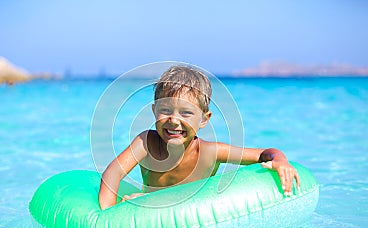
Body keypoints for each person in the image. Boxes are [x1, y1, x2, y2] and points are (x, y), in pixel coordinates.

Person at [98, 65, 300, 209]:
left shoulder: (210, 152)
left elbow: (265, 153)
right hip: (151, 218)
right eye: (165, 110)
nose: (174, 120)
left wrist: (281, 161)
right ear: (154, 111)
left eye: (186, 113)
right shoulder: (146, 143)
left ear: (204, 119)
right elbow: (113, 172)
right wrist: (105, 216)